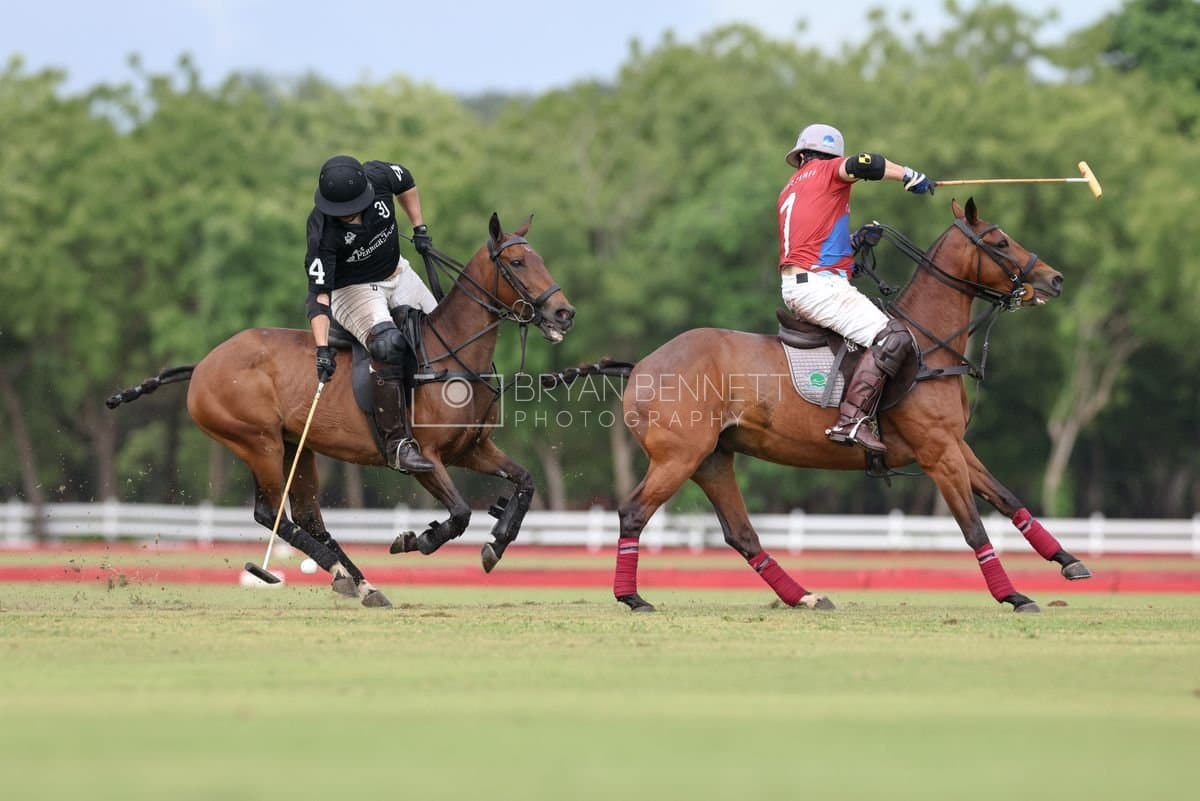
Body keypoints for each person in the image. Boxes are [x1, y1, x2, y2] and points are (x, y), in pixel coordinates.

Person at [777, 123, 935, 456]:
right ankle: (851, 421)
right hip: (818, 286)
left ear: (801, 156)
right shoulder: (827, 171)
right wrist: (909, 175)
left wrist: (856, 242)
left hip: (802, 283)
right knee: (894, 338)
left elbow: (814, 245)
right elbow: (868, 162)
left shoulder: (792, 187)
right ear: (830, 155)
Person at [304, 154, 439, 472]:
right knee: (388, 345)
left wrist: (419, 226)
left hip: (397, 271)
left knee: (444, 332)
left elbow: (406, 181)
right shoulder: (322, 231)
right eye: (341, 212)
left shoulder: (378, 176)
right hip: (352, 289)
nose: (348, 216)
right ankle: (398, 445)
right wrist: (322, 349)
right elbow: (319, 295)